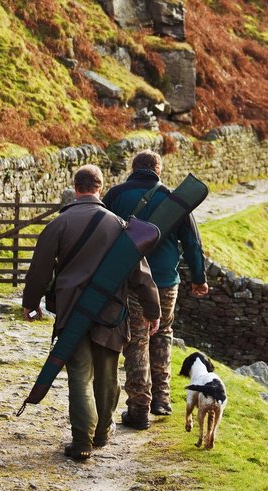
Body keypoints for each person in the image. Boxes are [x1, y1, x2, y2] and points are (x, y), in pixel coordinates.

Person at [22, 164, 160, 460]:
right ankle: (102, 433)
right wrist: (153, 311)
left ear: (76, 188)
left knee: (79, 375)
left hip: (72, 311)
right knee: (108, 376)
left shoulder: (59, 224)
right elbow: (141, 275)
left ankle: (82, 440)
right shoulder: (119, 225)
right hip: (110, 313)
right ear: (100, 187)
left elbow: (39, 270)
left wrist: (31, 303)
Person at [102, 150, 208, 429]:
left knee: (137, 339)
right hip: (165, 281)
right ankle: (161, 399)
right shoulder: (174, 200)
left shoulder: (115, 195)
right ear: (158, 170)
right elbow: (193, 244)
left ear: (133, 168)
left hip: (130, 279)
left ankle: (139, 406)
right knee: (162, 334)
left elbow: (101, 233)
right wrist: (199, 279)